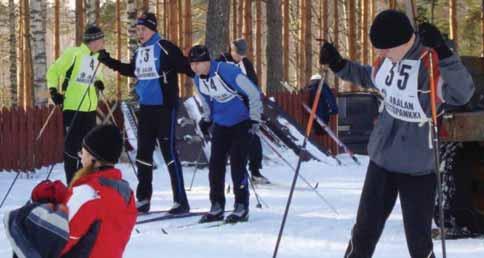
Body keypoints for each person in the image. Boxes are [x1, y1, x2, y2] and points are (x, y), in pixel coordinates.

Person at [319, 10, 474, 258]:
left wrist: (444, 53)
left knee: (419, 243)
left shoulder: (429, 63)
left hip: (418, 166)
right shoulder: (387, 61)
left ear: (403, 43)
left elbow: (463, 92)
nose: (380, 55)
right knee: (363, 234)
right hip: (382, 159)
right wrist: (339, 64)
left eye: (385, 49)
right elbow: (369, 77)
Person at [97, 12, 193, 214]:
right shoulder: (140, 51)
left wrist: (204, 67)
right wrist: (108, 60)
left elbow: (186, 66)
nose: (139, 32)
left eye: (142, 29)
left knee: (168, 153)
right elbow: (130, 70)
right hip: (146, 108)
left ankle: (181, 201)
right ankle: (143, 199)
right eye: (137, 29)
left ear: (152, 29)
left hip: (165, 107)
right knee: (143, 154)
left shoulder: (164, 47)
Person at [5, 125, 137, 258]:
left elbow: (57, 241)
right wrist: (66, 197)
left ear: (93, 159)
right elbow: (98, 224)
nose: (80, 157)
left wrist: (36, 208)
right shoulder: (126, 194)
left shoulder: (88, 193)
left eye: (83, 152)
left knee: (25, 225)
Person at [189, 45, 263, 223]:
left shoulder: (227, 70)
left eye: (198, 63)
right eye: (192, 64)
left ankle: (241, 206)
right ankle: (217, 205)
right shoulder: (198, 80)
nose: (194, 67)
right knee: (215, 166)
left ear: (207, 61)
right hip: (222, 124)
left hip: (242, 122)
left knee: (238, 163)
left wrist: (254, 119)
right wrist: (207, 119)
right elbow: (207, 101)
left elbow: (253, 92)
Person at [46, 25, 106, 184]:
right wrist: (53, 92)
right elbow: (53, 71)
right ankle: (71, 185)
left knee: (88, 150)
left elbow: (95, 78)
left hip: (90, 110)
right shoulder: (74, 54)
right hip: (73, 108)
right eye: (101, 40)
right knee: (72, 149)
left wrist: (99, 83)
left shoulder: (97, 58)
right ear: (93, 41)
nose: (103, 43)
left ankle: (84, 185)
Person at [217, 38, 270, 184]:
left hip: (245, 108)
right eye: (237, 53)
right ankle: (230, 174)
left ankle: (255, 171)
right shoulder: (221, 62)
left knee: (253, 138)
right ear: (231, 50)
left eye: (242, 54)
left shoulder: (246, 63)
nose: (240, 56)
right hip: (226, 107)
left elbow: (253, 84)